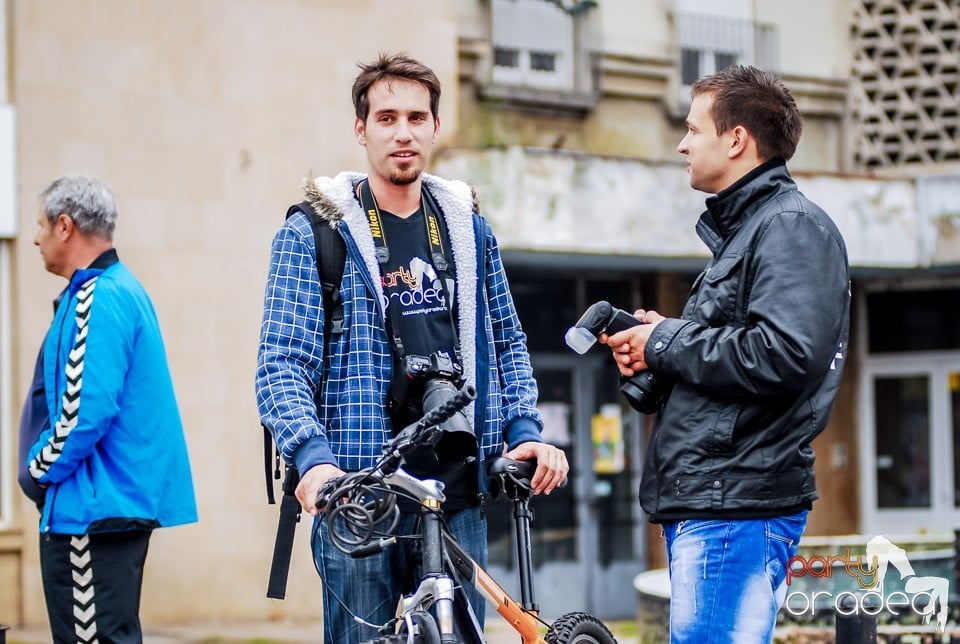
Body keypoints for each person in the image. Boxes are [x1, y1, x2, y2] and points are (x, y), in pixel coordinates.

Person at [255, 52, 568, 643]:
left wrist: (525, 429)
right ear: (361, 129)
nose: (403, 132)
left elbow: (506, 339)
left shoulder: (468, 231)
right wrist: (311, 458)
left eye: (417, 118)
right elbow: (281, 364)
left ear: (434, 126)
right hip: (358, 494)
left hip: (455, 492)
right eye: (387, 117)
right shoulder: (315, 233)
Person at [600, 65, 850, 643]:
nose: (683, 143)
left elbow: (785, 355)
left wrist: (666, 340)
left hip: (736, 508)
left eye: (693, 129)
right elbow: (733, 362)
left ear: (736, 139)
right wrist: (654, 351)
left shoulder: (789, 226)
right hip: (720, 503)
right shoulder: (751, 231)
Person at [20, 175, 198, 643]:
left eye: (40, 226)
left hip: (91, 513)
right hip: (103, 507)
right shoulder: (117, 291)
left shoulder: (98, 296)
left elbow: (85, 412)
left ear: (65, 226)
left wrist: (36, 472)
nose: (35, 238)